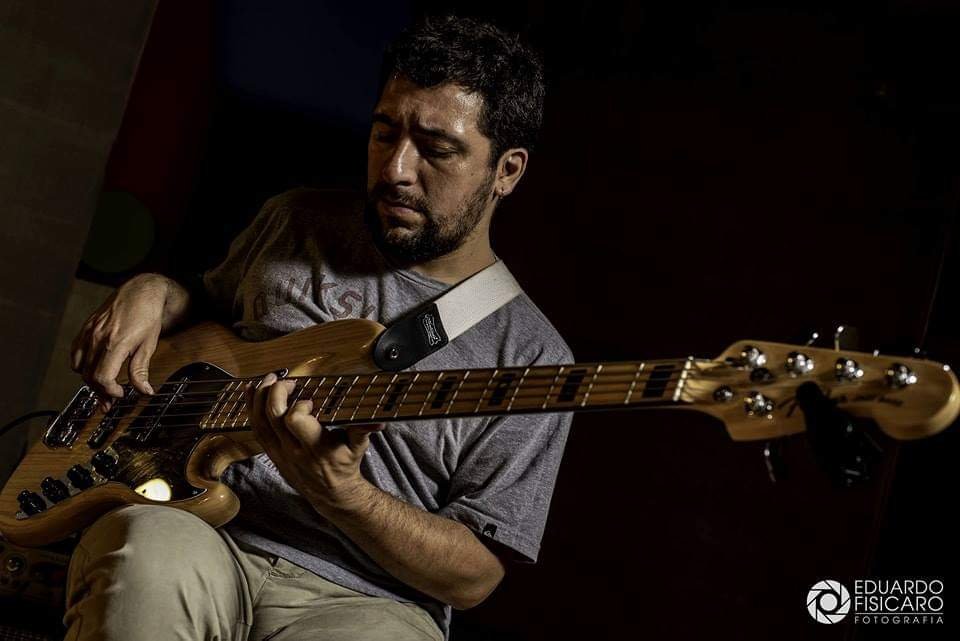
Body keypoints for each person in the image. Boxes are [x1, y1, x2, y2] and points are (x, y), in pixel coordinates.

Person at [65, 14, 573, 641]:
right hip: (200, 529)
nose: (395, 169)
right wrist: (149, 289)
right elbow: (200, 307)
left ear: (507, 171)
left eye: (437, 150)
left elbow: (473, 579)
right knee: (143, 556)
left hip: (368, 602)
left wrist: (341, 493)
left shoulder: (534, 357)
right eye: (384, 133)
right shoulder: (294, 221)